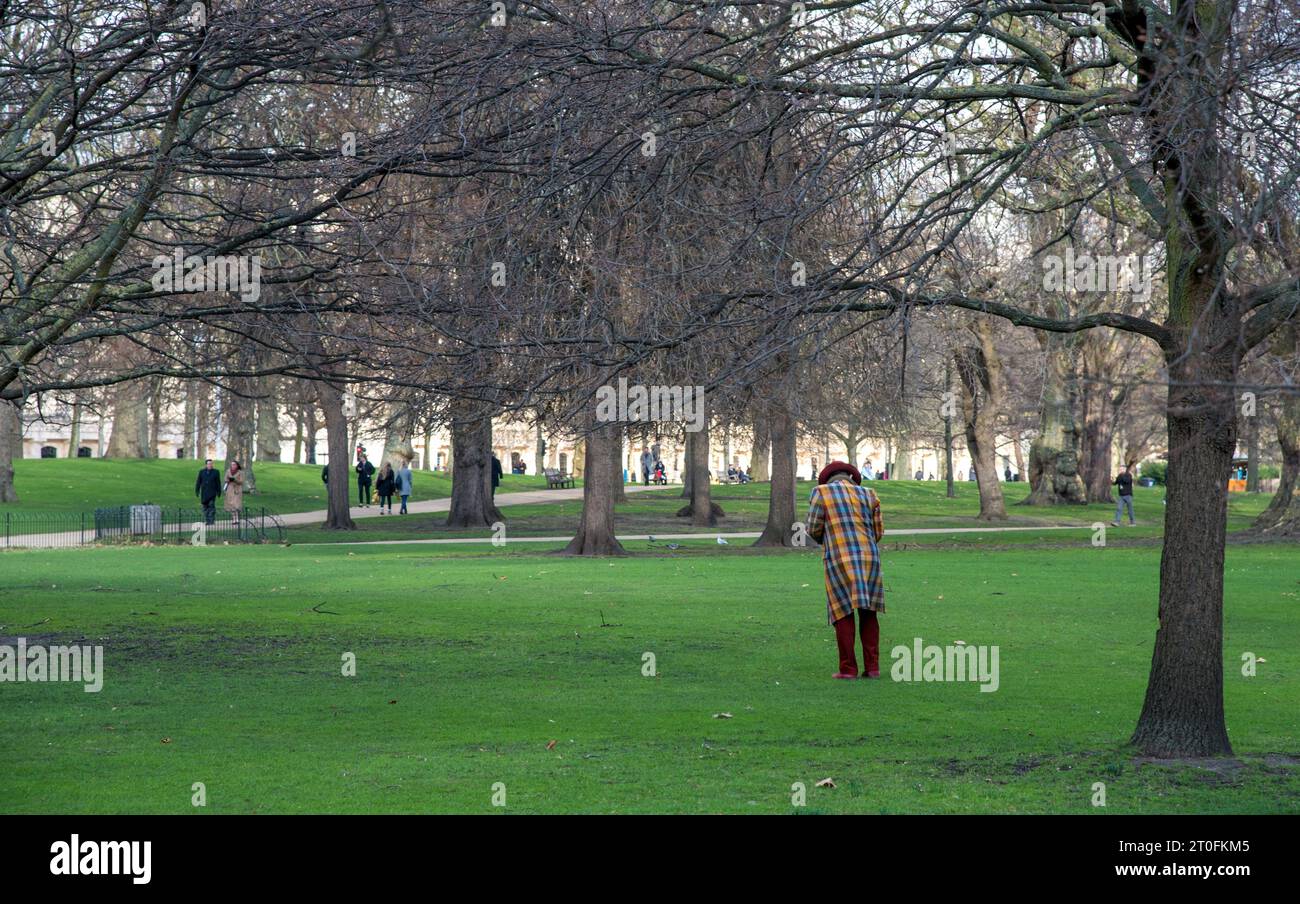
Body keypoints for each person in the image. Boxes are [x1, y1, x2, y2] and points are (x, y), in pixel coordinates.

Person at [806, 461, 886, 680]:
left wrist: (830, 538)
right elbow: (878, 530)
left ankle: (848, 669)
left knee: (843, 612)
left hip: (839, 558)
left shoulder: (821, 493)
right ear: (851, 478)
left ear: (828, 479)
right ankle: (872, 668)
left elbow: (813, 528)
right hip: (870, 559)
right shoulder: (869, 494)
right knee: (869, 613)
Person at [195, 459, 222, 525]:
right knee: (205, 507)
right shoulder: (202, 472)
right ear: (206, 465)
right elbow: (198, 482)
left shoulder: (216, 472)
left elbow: (218, 482)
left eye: (211, 464)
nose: (210, 465)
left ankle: (211, 520)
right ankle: (207, 520)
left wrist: (219, 491)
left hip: (212, 492)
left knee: (211, 506)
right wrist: (197, 490)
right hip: (204, 493)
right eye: (208, 464)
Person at [224, 460, 245, 533]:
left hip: (237, 490)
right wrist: (229, 480)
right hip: (230, 489)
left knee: (236, 504)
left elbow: (242, 481)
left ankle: (237, 519)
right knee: (231, 504)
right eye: (232, 464)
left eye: (234, 465)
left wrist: (235, 480)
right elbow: (225, 479)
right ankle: (233, 519)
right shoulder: (228, 471)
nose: (233, 466)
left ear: (237, 465)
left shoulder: (240, 472)